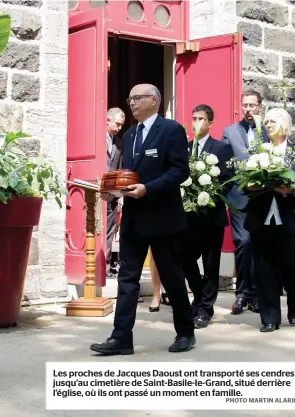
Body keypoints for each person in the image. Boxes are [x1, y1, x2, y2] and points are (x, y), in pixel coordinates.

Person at [90, 83, 195, 354]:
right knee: (127, 279)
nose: (132, 103)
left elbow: (180, 171)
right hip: (134, 219)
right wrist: (112, 191)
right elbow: (128, 174)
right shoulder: (130, 134)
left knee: (172, 277)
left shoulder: (171, 130)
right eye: (130, 98)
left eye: (137, 98)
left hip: (163, 218)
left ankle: (185, 332)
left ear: (154, 100)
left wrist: (149, 188)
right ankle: (121, 338)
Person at [244, 108, 295, 332]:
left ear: (284, 124)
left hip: (289, 220)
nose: (268, 125)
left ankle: (293, 304)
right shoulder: (257, 151)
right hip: (261, 218)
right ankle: (270, 318)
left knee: (291, 269)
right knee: (264, 270)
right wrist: (251, 185)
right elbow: (244, 183)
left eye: (272, 121)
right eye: (266, 122)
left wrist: (291, 189)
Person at [182, 105, 234, 329]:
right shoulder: (183, 148)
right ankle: (200, 295)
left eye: (201, 119)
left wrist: (211, 193)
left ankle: (205, 309)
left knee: (210, 264)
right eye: (194, 119)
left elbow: (228, 179)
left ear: (210, 123)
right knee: (185, 259)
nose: (197, 123)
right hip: (188, 218)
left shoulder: (222, 148)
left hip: (212, 216)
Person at [221, 90, 269, 315]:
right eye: (245, 105)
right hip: (239, 198)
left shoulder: (269, 132)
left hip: (264, 199)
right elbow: (224, 165)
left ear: (260, 106)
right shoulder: (230, 132)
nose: (248, 109)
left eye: (253, 105)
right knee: (243, 244)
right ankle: (242, 294)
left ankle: (256, 294)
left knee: (258, 246)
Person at [106, 107, 125, 276]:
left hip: (112, 195)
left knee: (109, 231)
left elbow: (119, 169)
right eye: (117, 124)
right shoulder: (95, 139)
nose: (119, 128)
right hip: (95, 192)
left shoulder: (119, 142)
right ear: (107, 120)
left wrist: (119, 195)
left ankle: (105, 267)